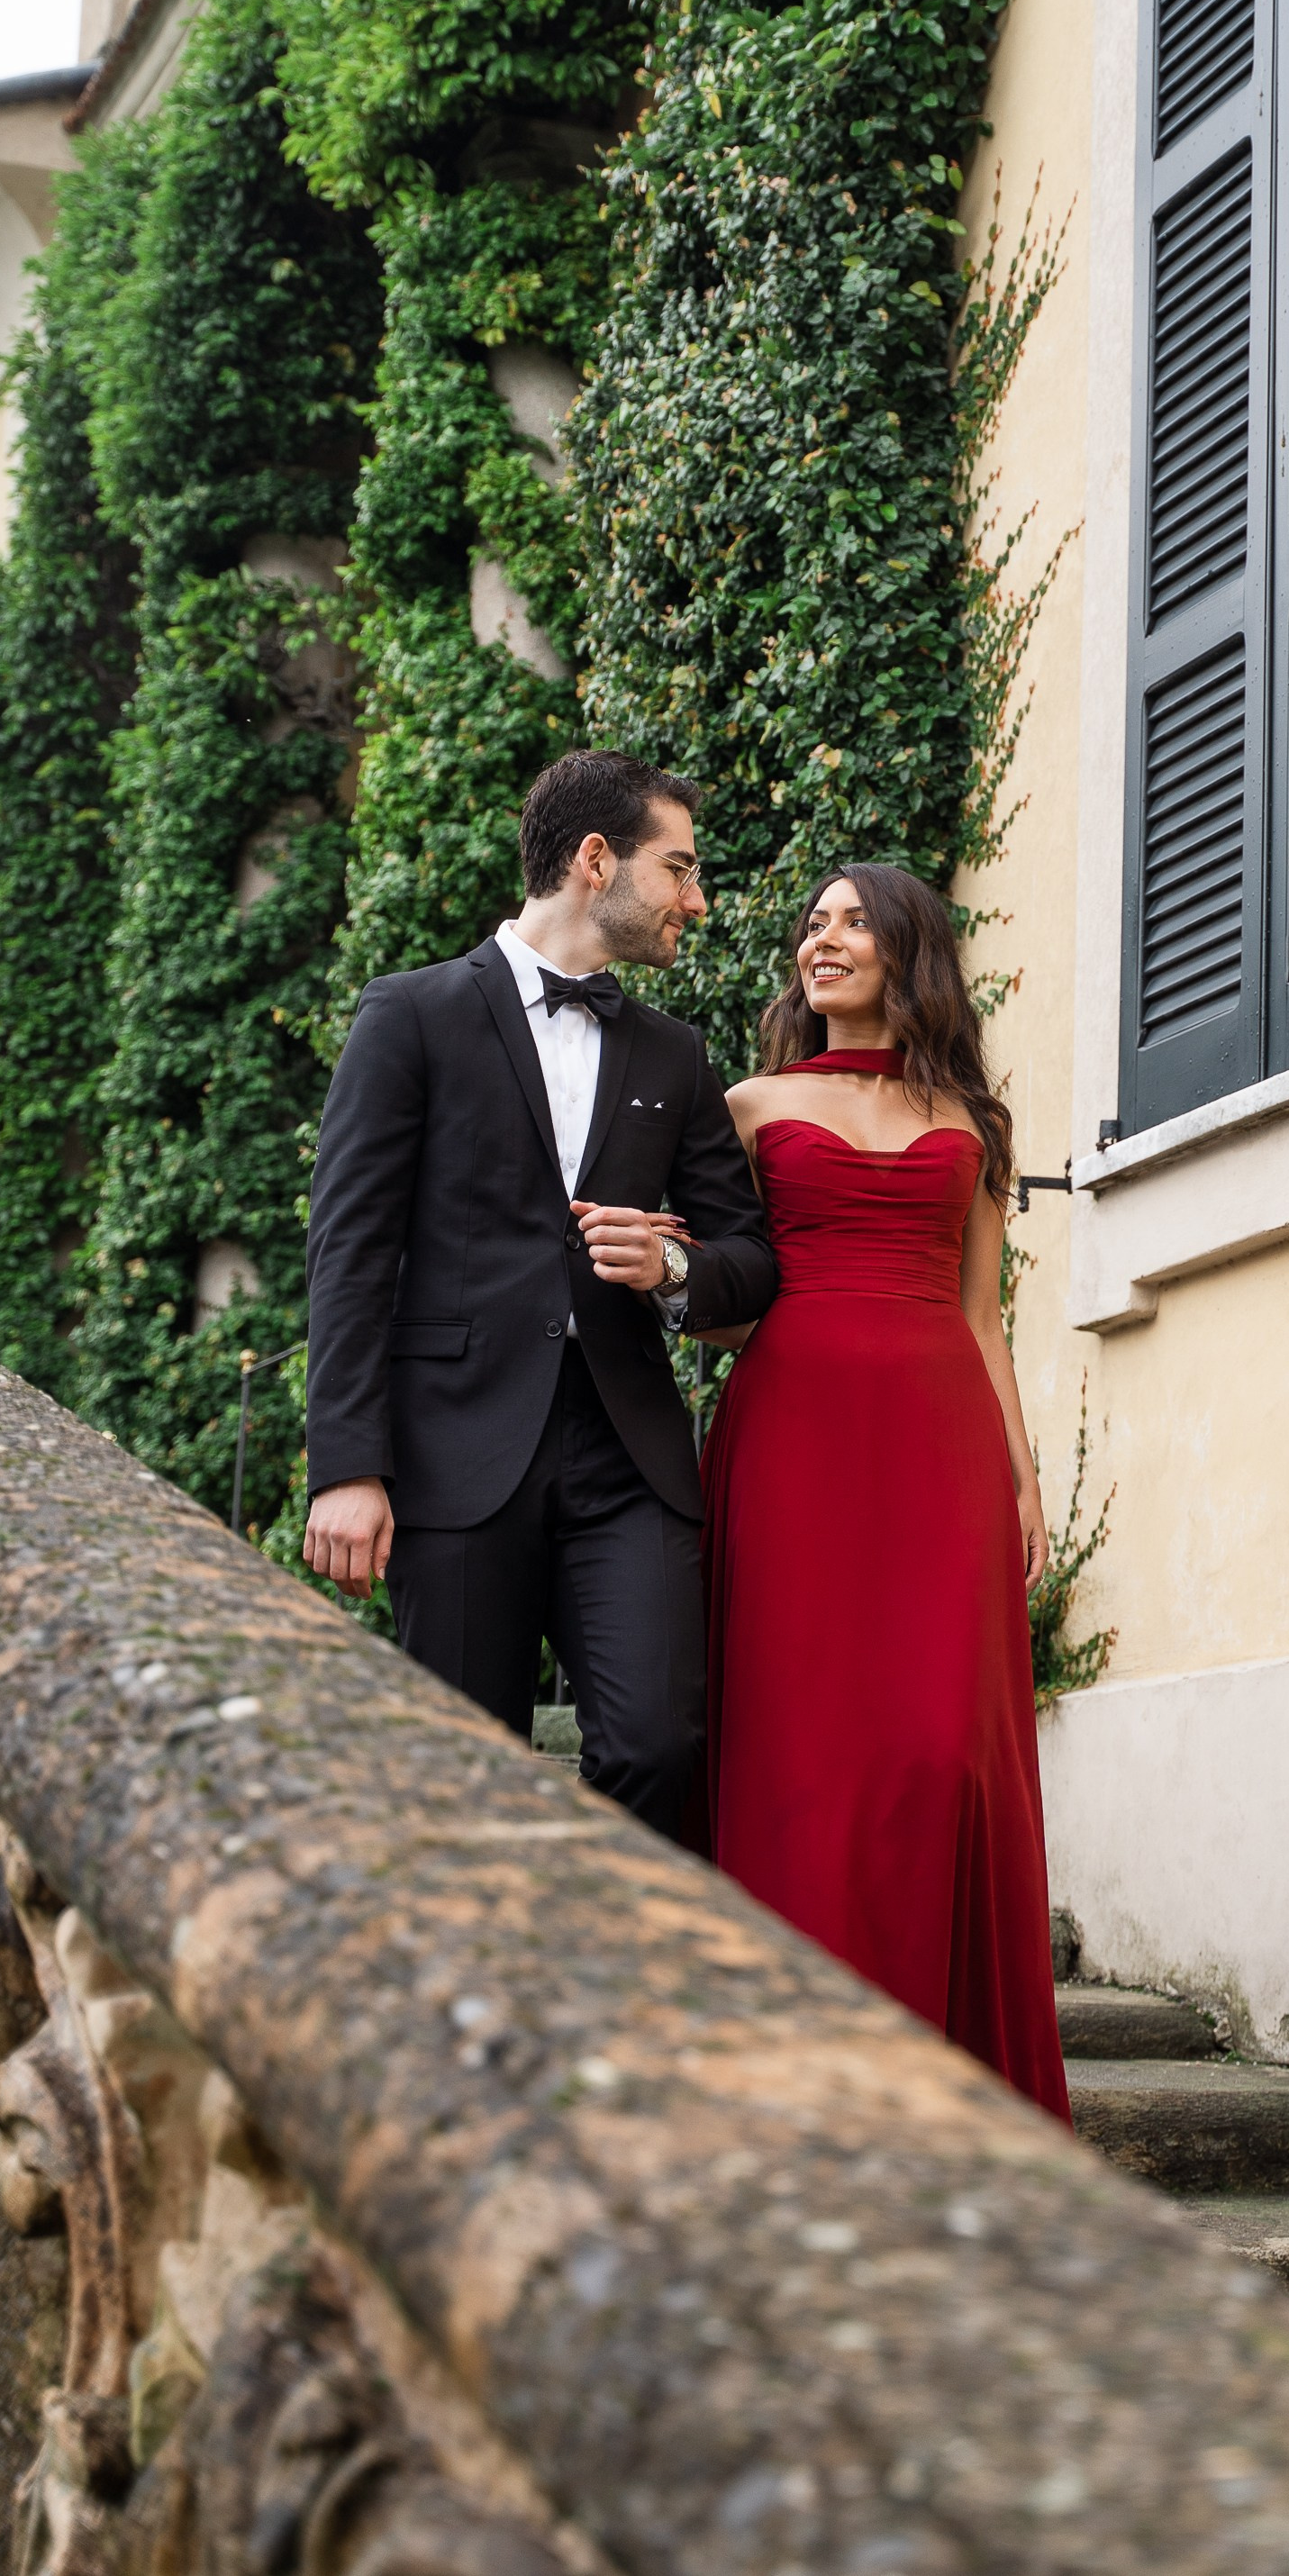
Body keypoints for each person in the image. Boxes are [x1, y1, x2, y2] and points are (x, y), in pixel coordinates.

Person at [302, 750, 776, 1843]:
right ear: (595, 860)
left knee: (659, 1743)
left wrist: (674, 1271)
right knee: (463, 1779)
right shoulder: (410, 1015)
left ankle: (606, 1993)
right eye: (679, 869)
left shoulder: (676, 1053)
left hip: (628, 1459)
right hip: (452, 1458)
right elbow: (351, 1250)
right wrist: (349, 1466)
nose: (694, 903)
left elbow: (750, 1257)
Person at [700, 863, 1070, 2120]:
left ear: (909, 950)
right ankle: (794, 2068)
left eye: (854, 920)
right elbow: (718, 1290)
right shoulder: (746, 1104)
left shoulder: (973, 1121)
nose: (825, 938)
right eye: (812, 923)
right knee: (801, 1747)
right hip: (793, 1438)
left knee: (934, 1751)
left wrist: (1019, 1478)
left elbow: (984, 1315)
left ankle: (936, 2067)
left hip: (938, 1449)